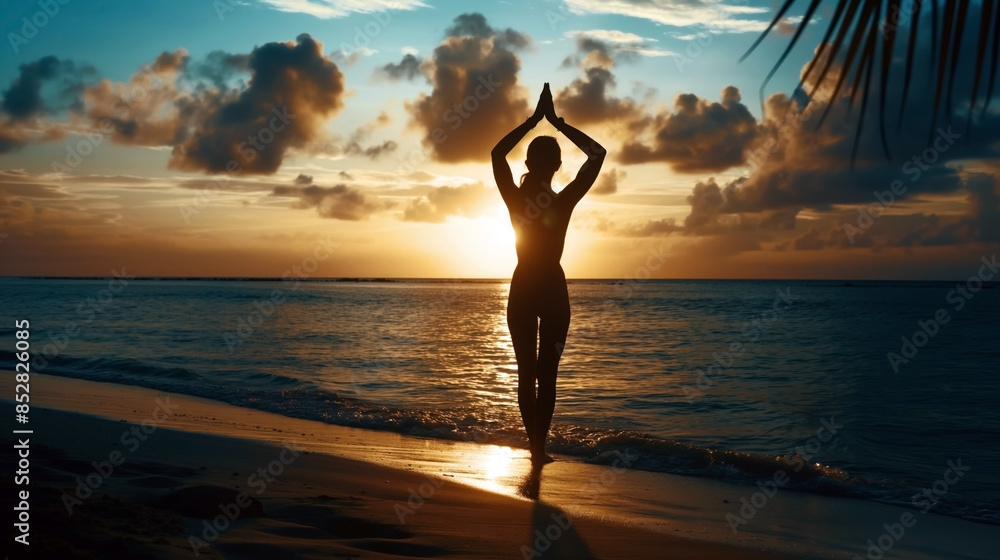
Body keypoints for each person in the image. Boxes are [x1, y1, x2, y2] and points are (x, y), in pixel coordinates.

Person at [491, 83, 605, 464]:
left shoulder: (516, 197)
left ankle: (536, 448)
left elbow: (496, 153)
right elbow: (597, 153)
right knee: (546, 374)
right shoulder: (564, 200)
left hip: (524, 284)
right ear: (557, 165)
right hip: (552, 288)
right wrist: (558, 124)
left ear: (528, 165)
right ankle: (539, 447)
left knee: (527, 372)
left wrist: (533, 121)